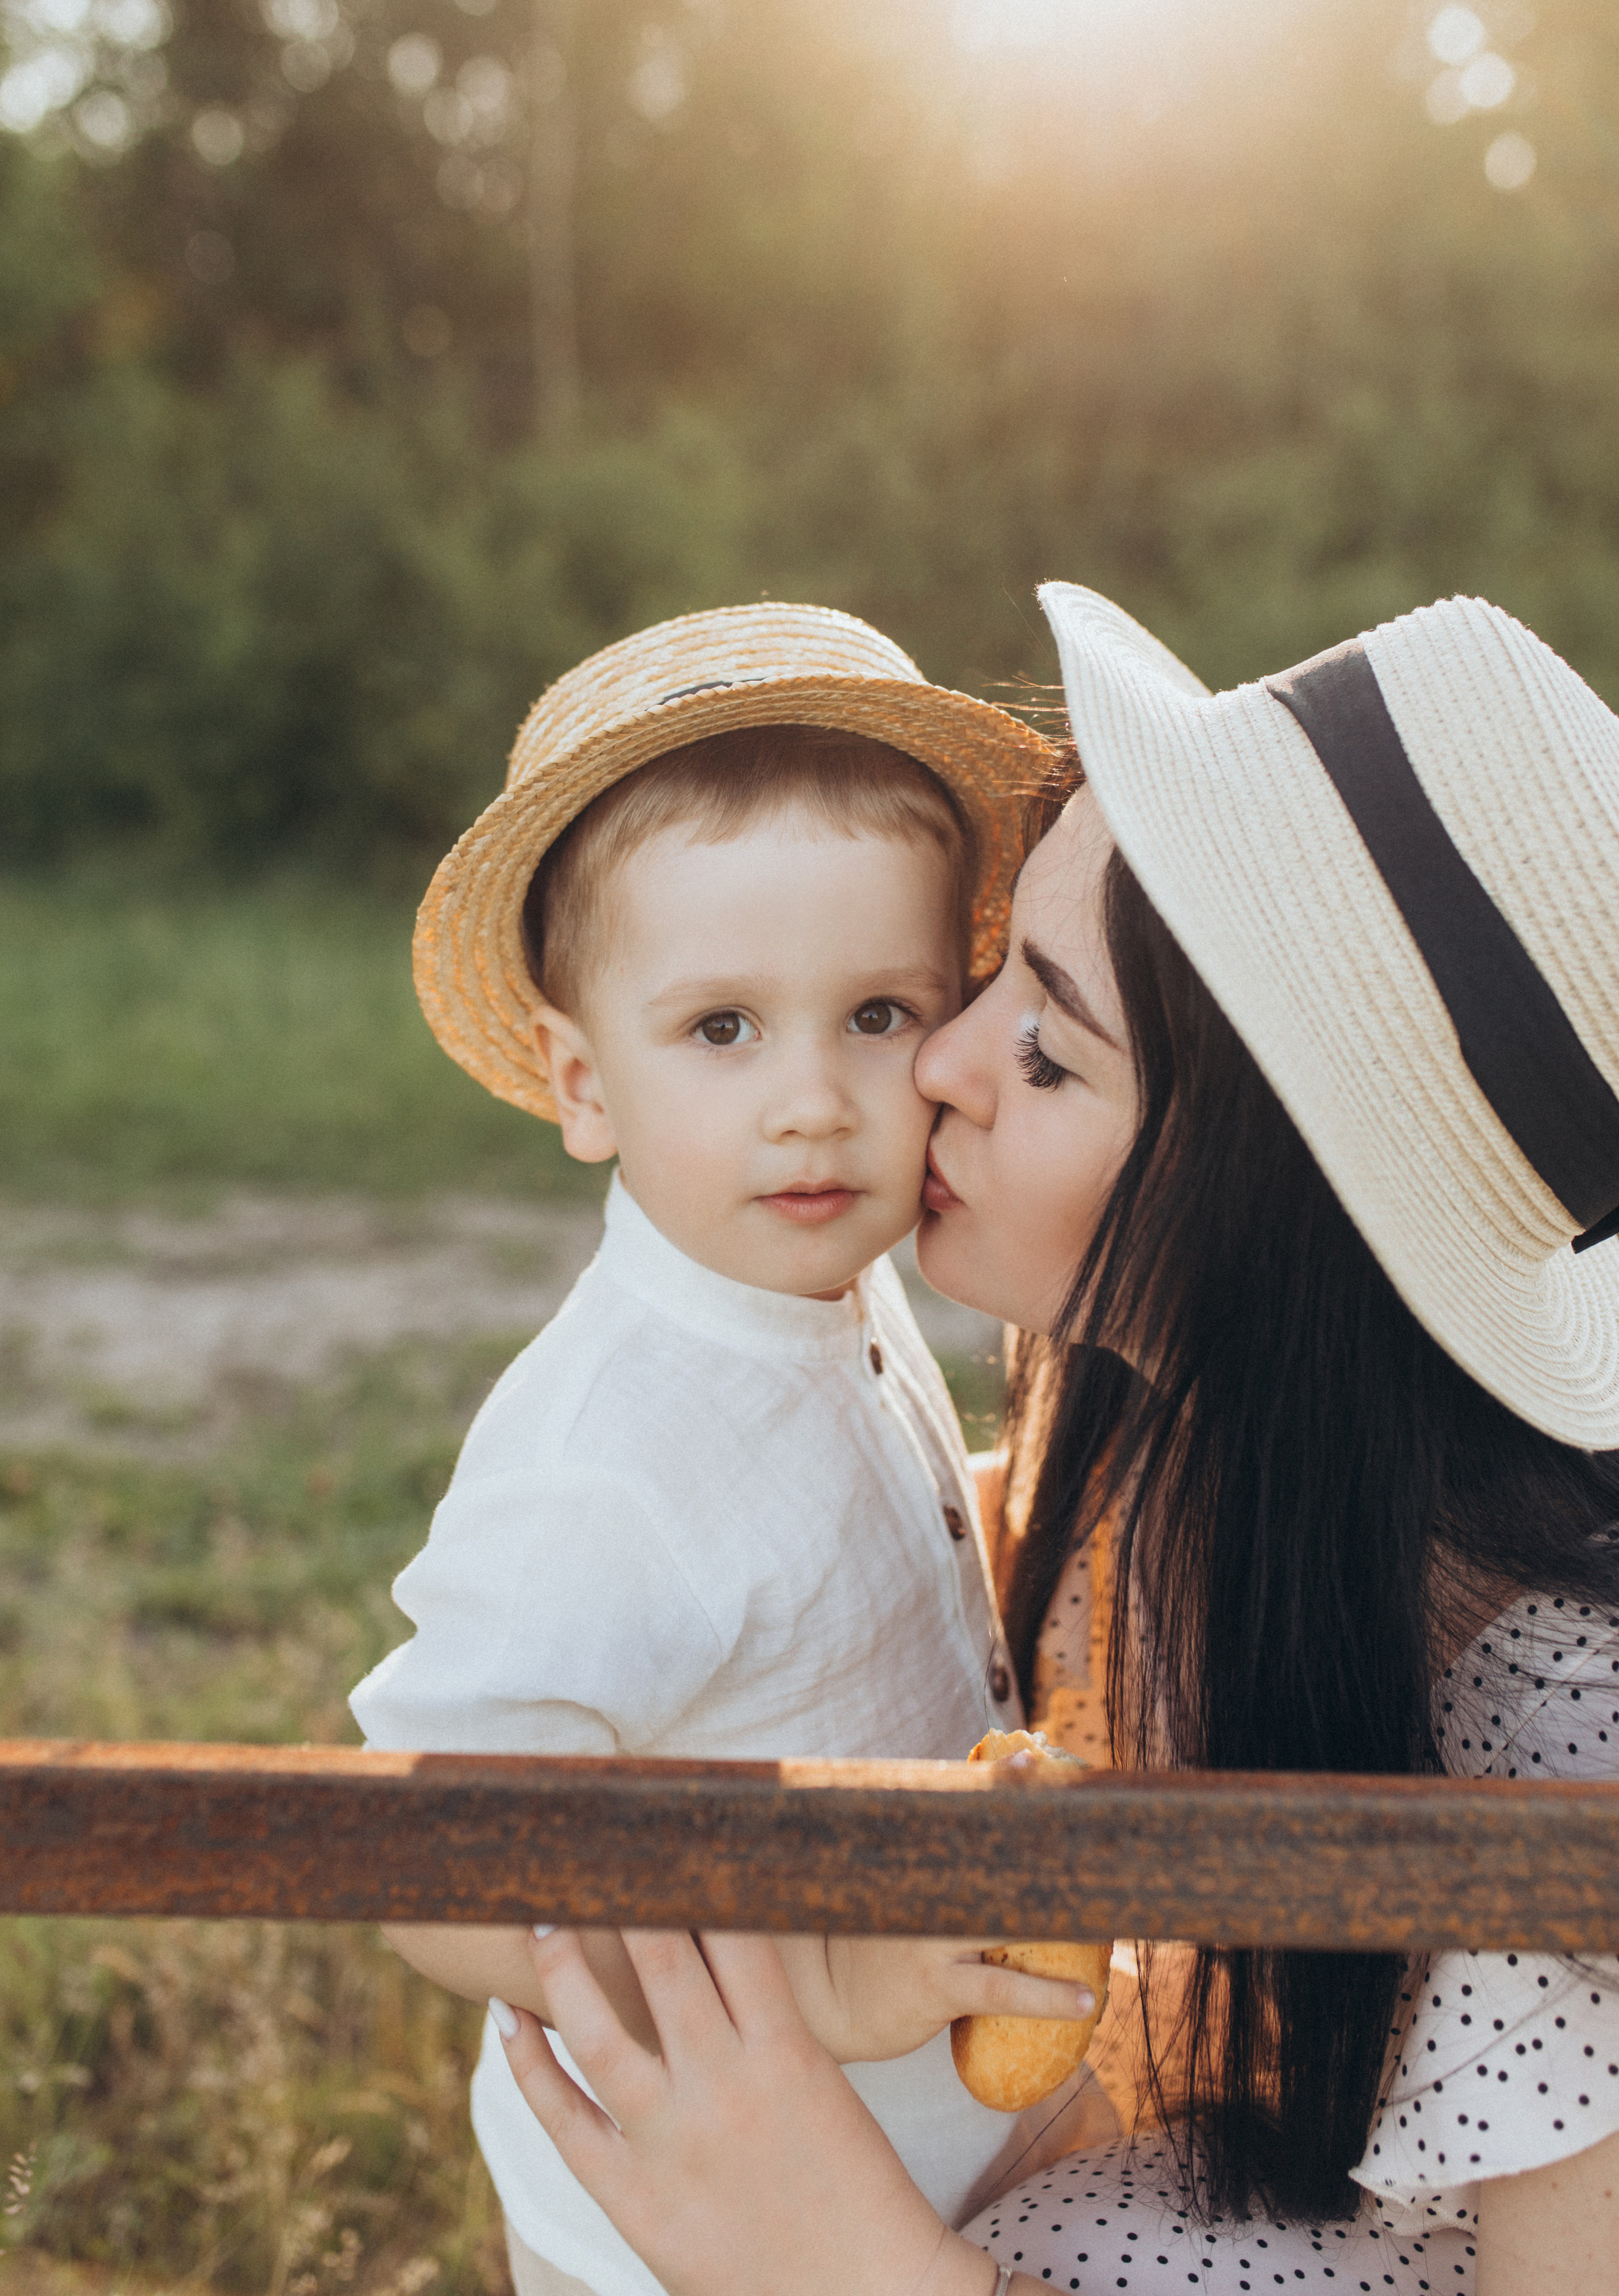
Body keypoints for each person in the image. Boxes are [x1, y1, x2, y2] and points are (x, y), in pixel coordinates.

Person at [489, 583, 1619, 2295]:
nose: (934, 1057)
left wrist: (841, 2263)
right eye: (998, 960)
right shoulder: (1204, 1471)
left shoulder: (1560, 1761)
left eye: (1049, 1045)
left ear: (1272, 1209)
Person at [349, 604, 1105, 2296]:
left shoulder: (825, 1280)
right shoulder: (603, 1466)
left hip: (924, 2140)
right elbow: (424, 1865)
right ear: (582, 1081)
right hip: (690, 2224)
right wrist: (825, 1979)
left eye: (879, 1013)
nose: (813, 1102)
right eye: (722, 1031)